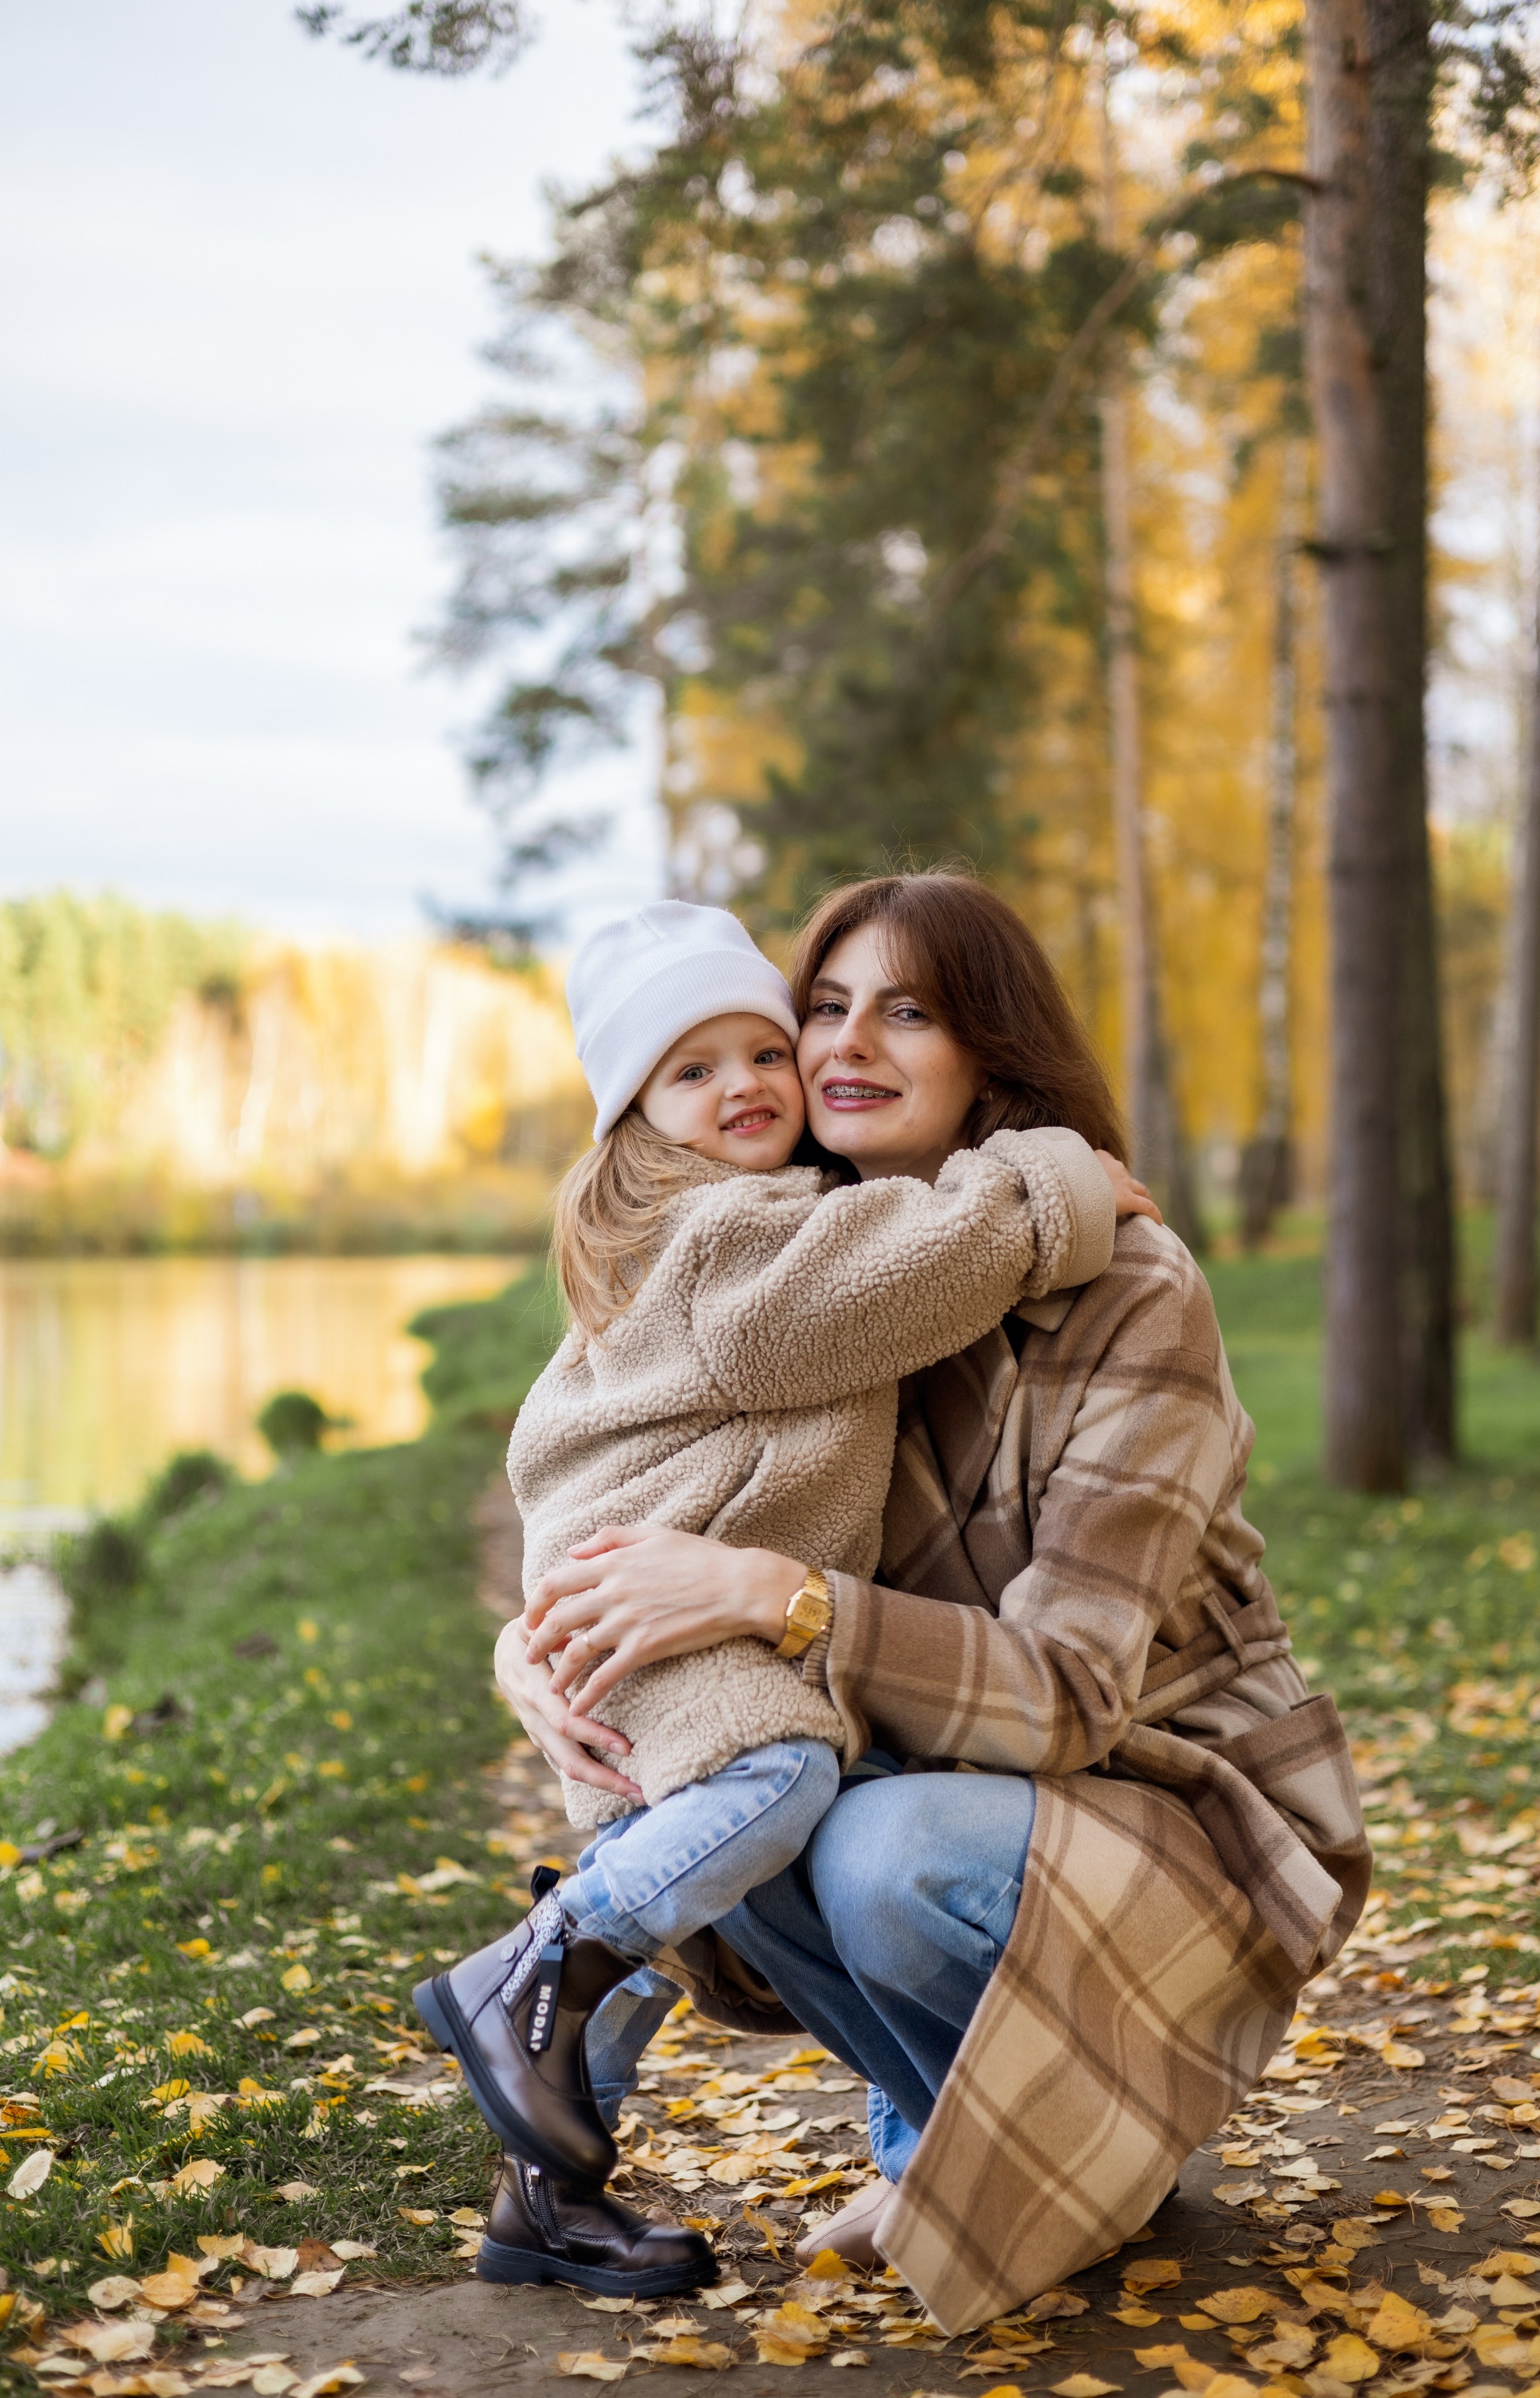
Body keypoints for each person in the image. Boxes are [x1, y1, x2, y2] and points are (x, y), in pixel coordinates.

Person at [500, 871, 1370, 2331]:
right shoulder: (814, 1265)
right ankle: (981, 2151)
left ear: (992, 1053)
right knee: (733, 1791)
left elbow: (1073, 1693)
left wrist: (779, 1596)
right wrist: (540, 1642)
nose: (843, 1045)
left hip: (1162, 1794)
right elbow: (603, 1448)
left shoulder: (1127, 1288)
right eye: (821, 1008)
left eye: (906, 1012)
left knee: (873, 1846)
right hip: (967, 1780)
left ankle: (1065, 2145)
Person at [415, 899, 1157, 2296]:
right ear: (636, 1112)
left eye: (762, 1049)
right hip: (678, 1618)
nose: (755, 1083)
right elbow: (909, 1275)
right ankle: (538, 1966)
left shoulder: (743, 1219)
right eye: (691, 1072)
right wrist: (1055, 1186)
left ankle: (548, 2190)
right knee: (781, 1782)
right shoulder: (736, 1242)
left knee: (732, 1845)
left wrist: (545, 1625)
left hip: (687, 1610)